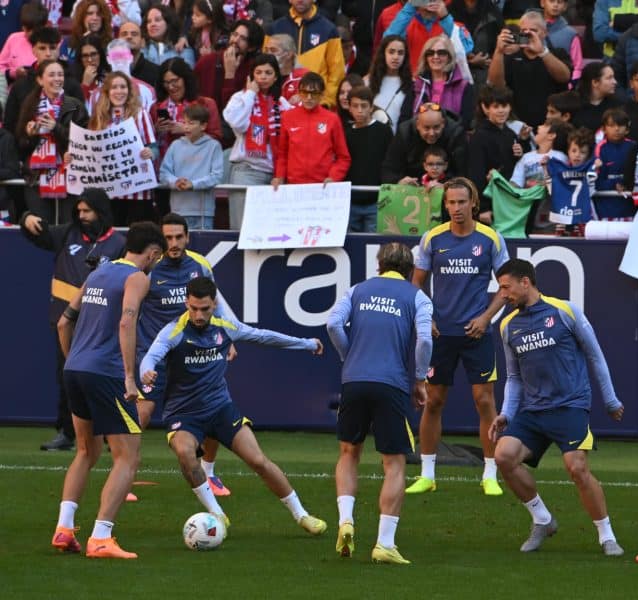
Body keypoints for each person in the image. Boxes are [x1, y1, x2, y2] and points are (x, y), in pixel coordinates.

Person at [139, 276, 328, 537]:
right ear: (186, 303)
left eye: (204, 309)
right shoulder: (173, 331)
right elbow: (150, 356)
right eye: (193, 308)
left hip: (220, 408)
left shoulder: (226, 327)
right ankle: (217, 514)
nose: (198, 315)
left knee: (258, 461)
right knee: (185, 453)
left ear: (214, 304)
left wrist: (306, 344)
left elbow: (264, 337)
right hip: (184, 413)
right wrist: (146, 371)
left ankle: (301, 515)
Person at [489, 258, 625, 556]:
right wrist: (506, 413)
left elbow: (596, 356)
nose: (503, 295)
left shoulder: (565, 311)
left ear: (526, 282)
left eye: (506, 287)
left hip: (571, 406)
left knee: (576, 467)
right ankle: (542, 519)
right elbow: (513, 377)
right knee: (503, 456)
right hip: (533, 412)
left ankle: (606, 536)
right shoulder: (507, 325)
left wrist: (611, 399)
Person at [51, 221, 166, 559]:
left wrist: (74, 360)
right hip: (107, 373)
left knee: (86, 452)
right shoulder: (138, 277)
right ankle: (101, 537)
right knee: (128, 457)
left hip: (74, 369)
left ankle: (64, 528)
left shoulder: (99, 273)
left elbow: (63, 321)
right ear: (154, 253)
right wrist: (130, 377)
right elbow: (127, 320)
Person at [327, 242, 433, 564]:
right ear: (409, 269)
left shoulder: (358, 290)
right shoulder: (417, 296)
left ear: (379, 264)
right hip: (391, 383)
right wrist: (419, 378)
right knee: (394, 463)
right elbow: (426, 339)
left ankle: (346, 520)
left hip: (354, 381)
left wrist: (349, 356)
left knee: (349, 452)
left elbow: (332, 324)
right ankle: (384, 543)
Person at [405, 177, 510, 497]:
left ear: (473, 203)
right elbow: (415, 286)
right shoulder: (432, 239)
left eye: (461, 202)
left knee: (484, 401)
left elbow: (507, 286)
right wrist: (428, 318)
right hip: (441, 334)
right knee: (434, 401)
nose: (456, 208)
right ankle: (427, 473)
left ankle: (490, 473)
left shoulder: (490, 239)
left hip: (477, 333)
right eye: (450, 203)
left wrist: (485, 318)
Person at [137, 213, 236, 496]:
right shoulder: (150, 268)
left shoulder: (200, 264)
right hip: (155, 352)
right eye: (168, 237)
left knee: (216, 408)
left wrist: (228, 338)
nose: (174, 243)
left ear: (187, 237)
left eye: (179, 237)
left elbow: (216, 301)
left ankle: (210, 472)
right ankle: (126, 473)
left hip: (194, 353)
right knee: (140, 414)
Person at [21, 190, 126, 452]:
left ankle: (111, 434)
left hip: (103, 323)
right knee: (68, 378)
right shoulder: (67, 234)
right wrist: (25, 218)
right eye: (79, 211)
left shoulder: (119, 243)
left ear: (101, 211)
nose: (82, 216)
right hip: (65, 321)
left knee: (106, 379)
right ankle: (68, 433)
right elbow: (37, 233)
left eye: (87, 211)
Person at [16, 58, 90, 225]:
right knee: (41, 227)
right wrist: (30, 135)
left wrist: (56, 127)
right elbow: (21, 143)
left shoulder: (74, 105)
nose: (57, 79)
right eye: (52, 75)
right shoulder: (30, 105)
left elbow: (84, 140)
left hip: (69, 173)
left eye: (60, 74)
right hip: (36, 176)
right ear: (40, 80)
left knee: (69, 225)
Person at [224, 53, 292, 229]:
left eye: (268, 73)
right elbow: (237, 124)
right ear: (251, 75)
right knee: (242, 228)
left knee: (269, 231)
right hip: (247, 171)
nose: (263, 77)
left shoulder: (282, 102)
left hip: (275, 175)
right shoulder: (240, 97)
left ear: (276, 76)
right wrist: (251, 94)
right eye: (259, 72)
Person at [88, 70, 159, 225]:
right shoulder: (99, 118)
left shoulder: (140, 114)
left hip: (138, 192)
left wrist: (150, 153)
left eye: (123, 87)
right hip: (109, 191)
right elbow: (90, 151)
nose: (119, 91)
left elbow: (154, 148)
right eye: (114, 87)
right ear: (107, 91)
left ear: (129, 90)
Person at [487, 10, 572, 128]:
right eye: (523, 31)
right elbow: (496, 86)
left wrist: (542, 52)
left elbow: (564, 77)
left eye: (533, 31)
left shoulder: (557, 53)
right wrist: (499, 51)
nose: (528, 35)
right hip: (518, 125)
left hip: (551, 125)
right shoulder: (511, 58)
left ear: (545, 33)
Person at [271, 71, 351, 187]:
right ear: (298, 92)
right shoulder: (287, 117)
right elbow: (282, 154)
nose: (309, 98)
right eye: (304, 93)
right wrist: (280, 177)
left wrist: (333, 177)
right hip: (294, 186)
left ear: (322, 94)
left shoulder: (332, 119)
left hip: (322, 187)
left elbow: (343, 157)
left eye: (314, 94)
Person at [194, 18, 265, 147]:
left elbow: (232, 114)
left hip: (233, 131)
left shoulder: (253, 70)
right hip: (202, 124)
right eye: (234, 34)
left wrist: (230, 74)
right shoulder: (207, 61)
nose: (235, 40)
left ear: (252, 47)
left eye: (243, 39)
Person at [268, 0, 346, 108]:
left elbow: (337, 72)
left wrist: (326, 101)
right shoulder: (275, 28)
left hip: (317, 103)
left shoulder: (329, 29)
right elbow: (266, 65)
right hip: (280, 103)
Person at [159, 103, 225, 229]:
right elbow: (164, 173)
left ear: (203, 126)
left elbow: (216, 176)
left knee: (201, 248)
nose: (186, 127)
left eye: (192, 123)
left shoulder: (213, 146)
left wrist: (193, 184)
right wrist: (175, 182)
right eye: (185, 122)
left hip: (203, 212)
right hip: (177, 210)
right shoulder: (175, 145)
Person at [380, 102, 468, 187]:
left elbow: (463, 172)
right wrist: (398, 181)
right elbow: (389, 168)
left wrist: (445, 185)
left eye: (436, 127)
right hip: (410, 189)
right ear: (418, 125)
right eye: (426, 128)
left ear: (443, 124)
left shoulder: (455, 133)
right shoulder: (405, 132)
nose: (431, 133)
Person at [152, 58, 224, 159]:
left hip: (198, 165)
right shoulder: (156, 108)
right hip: (165, 167)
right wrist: (155, 130)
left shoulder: (206, 104)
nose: (171, 87)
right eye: (166, 83)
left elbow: (216, 140)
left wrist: (188, 130)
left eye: (175, 81)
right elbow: (148, 143)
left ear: (185, 79)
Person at [468, 85, 527, 205]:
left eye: (504, 106)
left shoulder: (510, 134)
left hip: (509, 197)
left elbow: (515, 168)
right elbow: (476, 174)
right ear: (485, 108)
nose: (501, 110)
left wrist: (520, 154)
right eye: (496, 106)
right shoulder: (479, 137)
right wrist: (483, 207)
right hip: (489, 199)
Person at [344, 85, 393, 231]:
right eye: (355, 106)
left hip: (376, 201)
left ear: (371, 107)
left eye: (364, 106)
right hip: (351, 201)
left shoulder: (383, 131)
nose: (359, 110)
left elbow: (390, 163)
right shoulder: (345, 134)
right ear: (349, 107)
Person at [384, 0, 473, 73]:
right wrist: (411, 5)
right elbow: (387, 42)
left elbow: (466, 49)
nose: (429, 4)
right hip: (413, 86)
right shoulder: (406, 26)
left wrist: (445, 17)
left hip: (445, 88)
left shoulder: (453, 26)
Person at [411, 34, 475, 129]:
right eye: (430, 53)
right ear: (425, 57)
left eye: (441, 53)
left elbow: (466, 121)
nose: (435, 56)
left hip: (452, 139)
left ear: (449, 57)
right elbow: (407, 117)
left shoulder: (464, 86)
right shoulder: (416, 84)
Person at [365, 35, 414, 132]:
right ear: (383, 53)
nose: (396, 57)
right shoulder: (367, 81)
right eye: (391, 52)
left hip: (399, 139)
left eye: (400, 53)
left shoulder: (412, 84)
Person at [572, 62, 622, 133]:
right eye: (609, 78)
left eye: (613, 77)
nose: (615, 82)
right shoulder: (574, 105)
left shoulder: (617, 106)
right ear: (595, 82)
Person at [263, 33, 309, 104]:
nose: (268, 54)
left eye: (273, 50)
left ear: (289, 54)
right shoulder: (261, 74)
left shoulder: (305, 78)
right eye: (266, 50)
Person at [117, 20, 160, 87]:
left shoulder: (157, 72)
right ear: (117, 42)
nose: (129, 37)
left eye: (134, 34)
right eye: (124, 34)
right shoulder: (110, 70)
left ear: (143, 42)